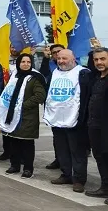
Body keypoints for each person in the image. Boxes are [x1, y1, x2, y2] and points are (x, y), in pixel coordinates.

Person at [45, 49, 91, 193]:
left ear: (73, 59)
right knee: (62, 150)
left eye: (64, 58)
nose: (61, 61)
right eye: (59, 58)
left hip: (76, 120)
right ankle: (66, 175)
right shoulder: (55, 73)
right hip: (58, 119)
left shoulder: (83, 73)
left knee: (77, 152)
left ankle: (78, 180)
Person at [0, 53, 46, 179]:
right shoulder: (15, 75)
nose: (26, 64)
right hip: (13, 114)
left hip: (27, 116)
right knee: (14, 141)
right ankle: (15, 165)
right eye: (23, 62)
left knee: (27, 144)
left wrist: (22, 105)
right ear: (18, 63)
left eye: (28, 62)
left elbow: (40, 96)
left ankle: (28, 168)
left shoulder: (35, 78)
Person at [86, 48, 108, 199]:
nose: (99, 62)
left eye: (103, 59)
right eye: (96, 60)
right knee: (99, 157)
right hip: (94, 125)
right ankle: (105, 187)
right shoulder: (94, 77)